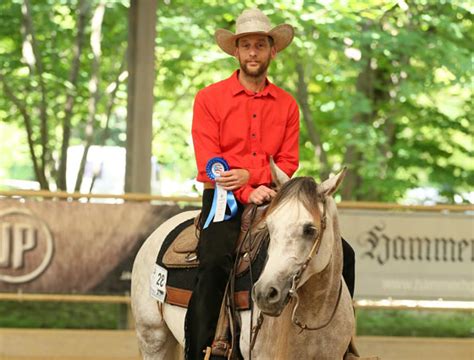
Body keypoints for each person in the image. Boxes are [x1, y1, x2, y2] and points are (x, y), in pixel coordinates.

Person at [186, 8, 355, 359]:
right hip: (222, 198)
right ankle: (202, 348)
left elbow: (288, 162)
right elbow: (208, 162)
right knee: (215, 259)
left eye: (259, 45)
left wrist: (260, 183)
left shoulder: (287, 105)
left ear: (271, 51)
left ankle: (341, 341)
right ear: (236, 51)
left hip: (274, 199)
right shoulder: (209, 99)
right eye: (245, 45)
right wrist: (247, 187)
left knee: (345, 254)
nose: (252, 52)